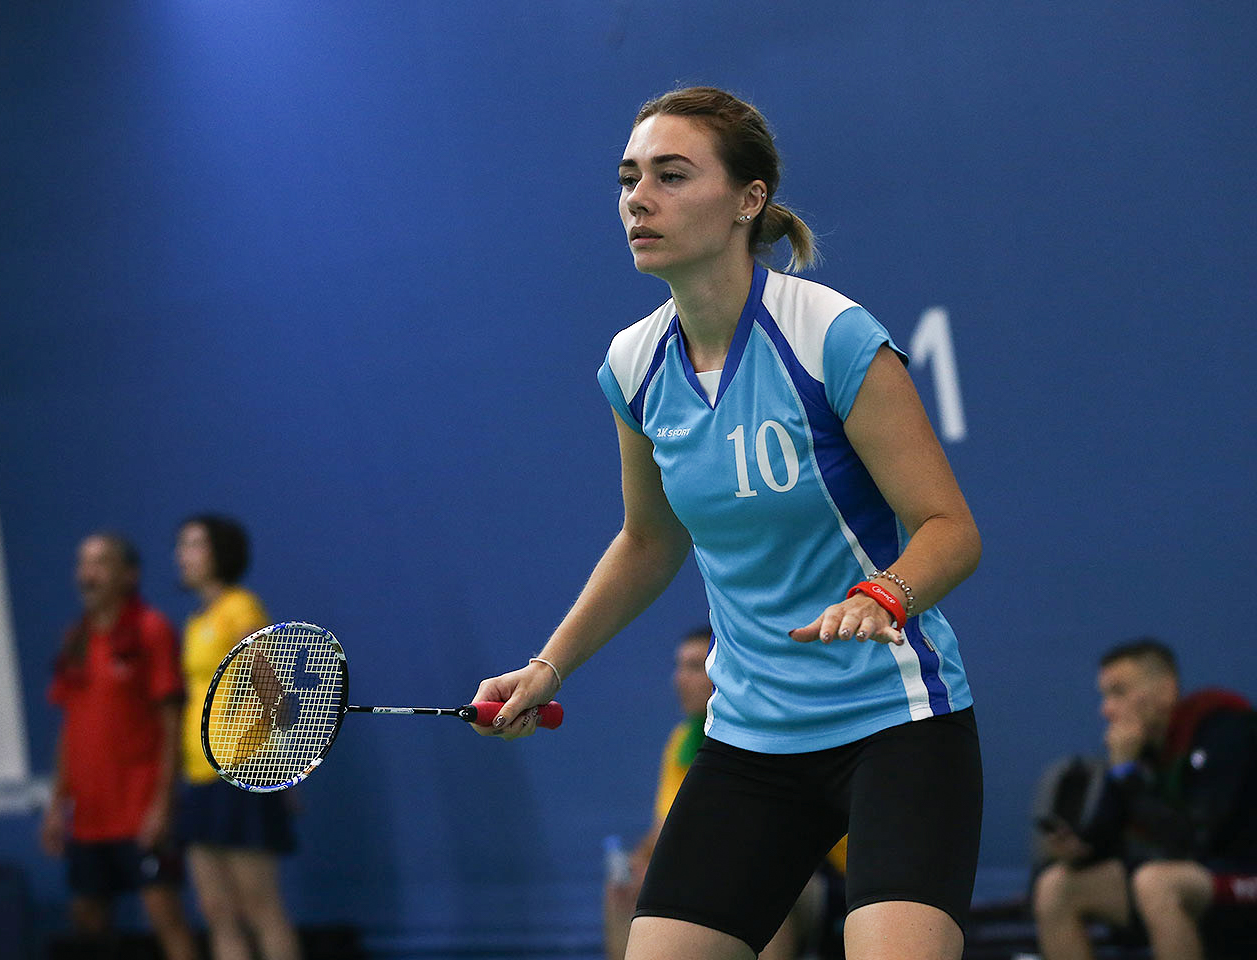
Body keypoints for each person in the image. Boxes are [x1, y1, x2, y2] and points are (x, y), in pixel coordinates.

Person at [470, 86, 982, 960]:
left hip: (894, 720)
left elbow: (949, 528)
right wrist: (549, 667)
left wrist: (886, 594)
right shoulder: (633, 365)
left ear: (749, 199)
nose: (639, 199)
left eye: (671, 176)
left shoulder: (828, 336)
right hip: (750, 735)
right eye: (629, 178)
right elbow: (648, 539)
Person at [603, 626, 842, 960]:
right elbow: (668, 828)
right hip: (721, 866)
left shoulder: (766, 729)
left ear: (722, 672)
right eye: (678, 666)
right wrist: (638, 865)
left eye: (694, 667)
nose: (679, 679)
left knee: (756, 879)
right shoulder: (682, 741)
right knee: (623, 888)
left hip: (826, 875)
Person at [1032, 638, 1257, 960]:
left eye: (1118, 692)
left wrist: (1127, 773)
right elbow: (1107, 838)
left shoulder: (1227, 731)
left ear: (1166, 691)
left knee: (1156, 883)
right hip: (1182, 879)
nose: (1106, 709)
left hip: (1243, 877)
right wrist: (1079, 848)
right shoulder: (1140, 751)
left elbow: (1195, 841)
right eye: (1104, 695)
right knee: (1056, 887)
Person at [41, 532, 198, 960]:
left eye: (100, 563)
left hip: (140, 807)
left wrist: (162, 803)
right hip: (88, 815)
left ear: (128, 574)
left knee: (164, 914)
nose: (87, 574)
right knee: (87, 918)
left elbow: (172, 723)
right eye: (82, 563)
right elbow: (70, 728)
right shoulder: (75, 639)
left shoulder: (151, 630)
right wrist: (56, 805)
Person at [176, 514, 301, 960]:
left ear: (220, 553)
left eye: (194, 545)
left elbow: (273, 694)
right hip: (199, 775)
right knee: (216, 910)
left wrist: (285, 768)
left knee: (260, 908)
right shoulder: (196, 622)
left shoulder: (242, 609)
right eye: (182, 545)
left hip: (244, 769)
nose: (182, 555)